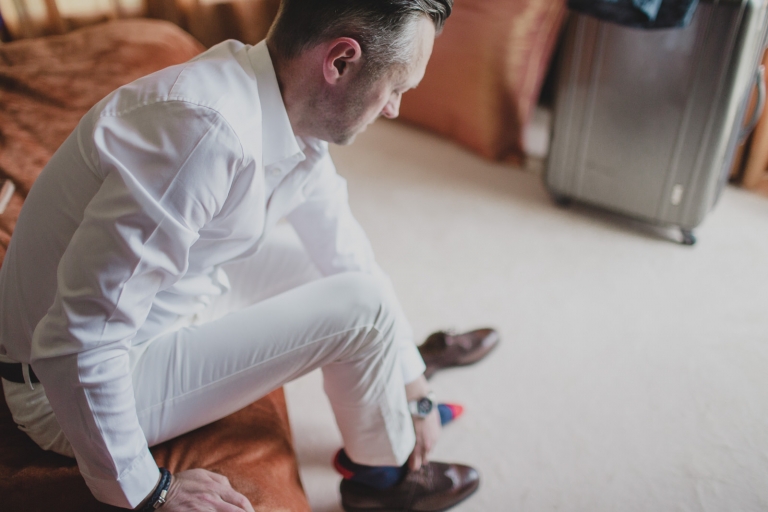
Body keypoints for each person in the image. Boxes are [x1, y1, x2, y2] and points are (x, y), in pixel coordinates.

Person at [0, 1, 498, 510]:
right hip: (61, 391)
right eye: (395, 87)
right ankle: (384, 481)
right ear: (341, 61)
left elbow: (344, 251)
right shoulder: (203, 133)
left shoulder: (281, 100)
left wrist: (412, 382)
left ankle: (397, 380)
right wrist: (150, 489)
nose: (393, 107)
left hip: (173, 298)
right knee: (363, 308)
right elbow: (76, 341)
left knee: (338, 279)